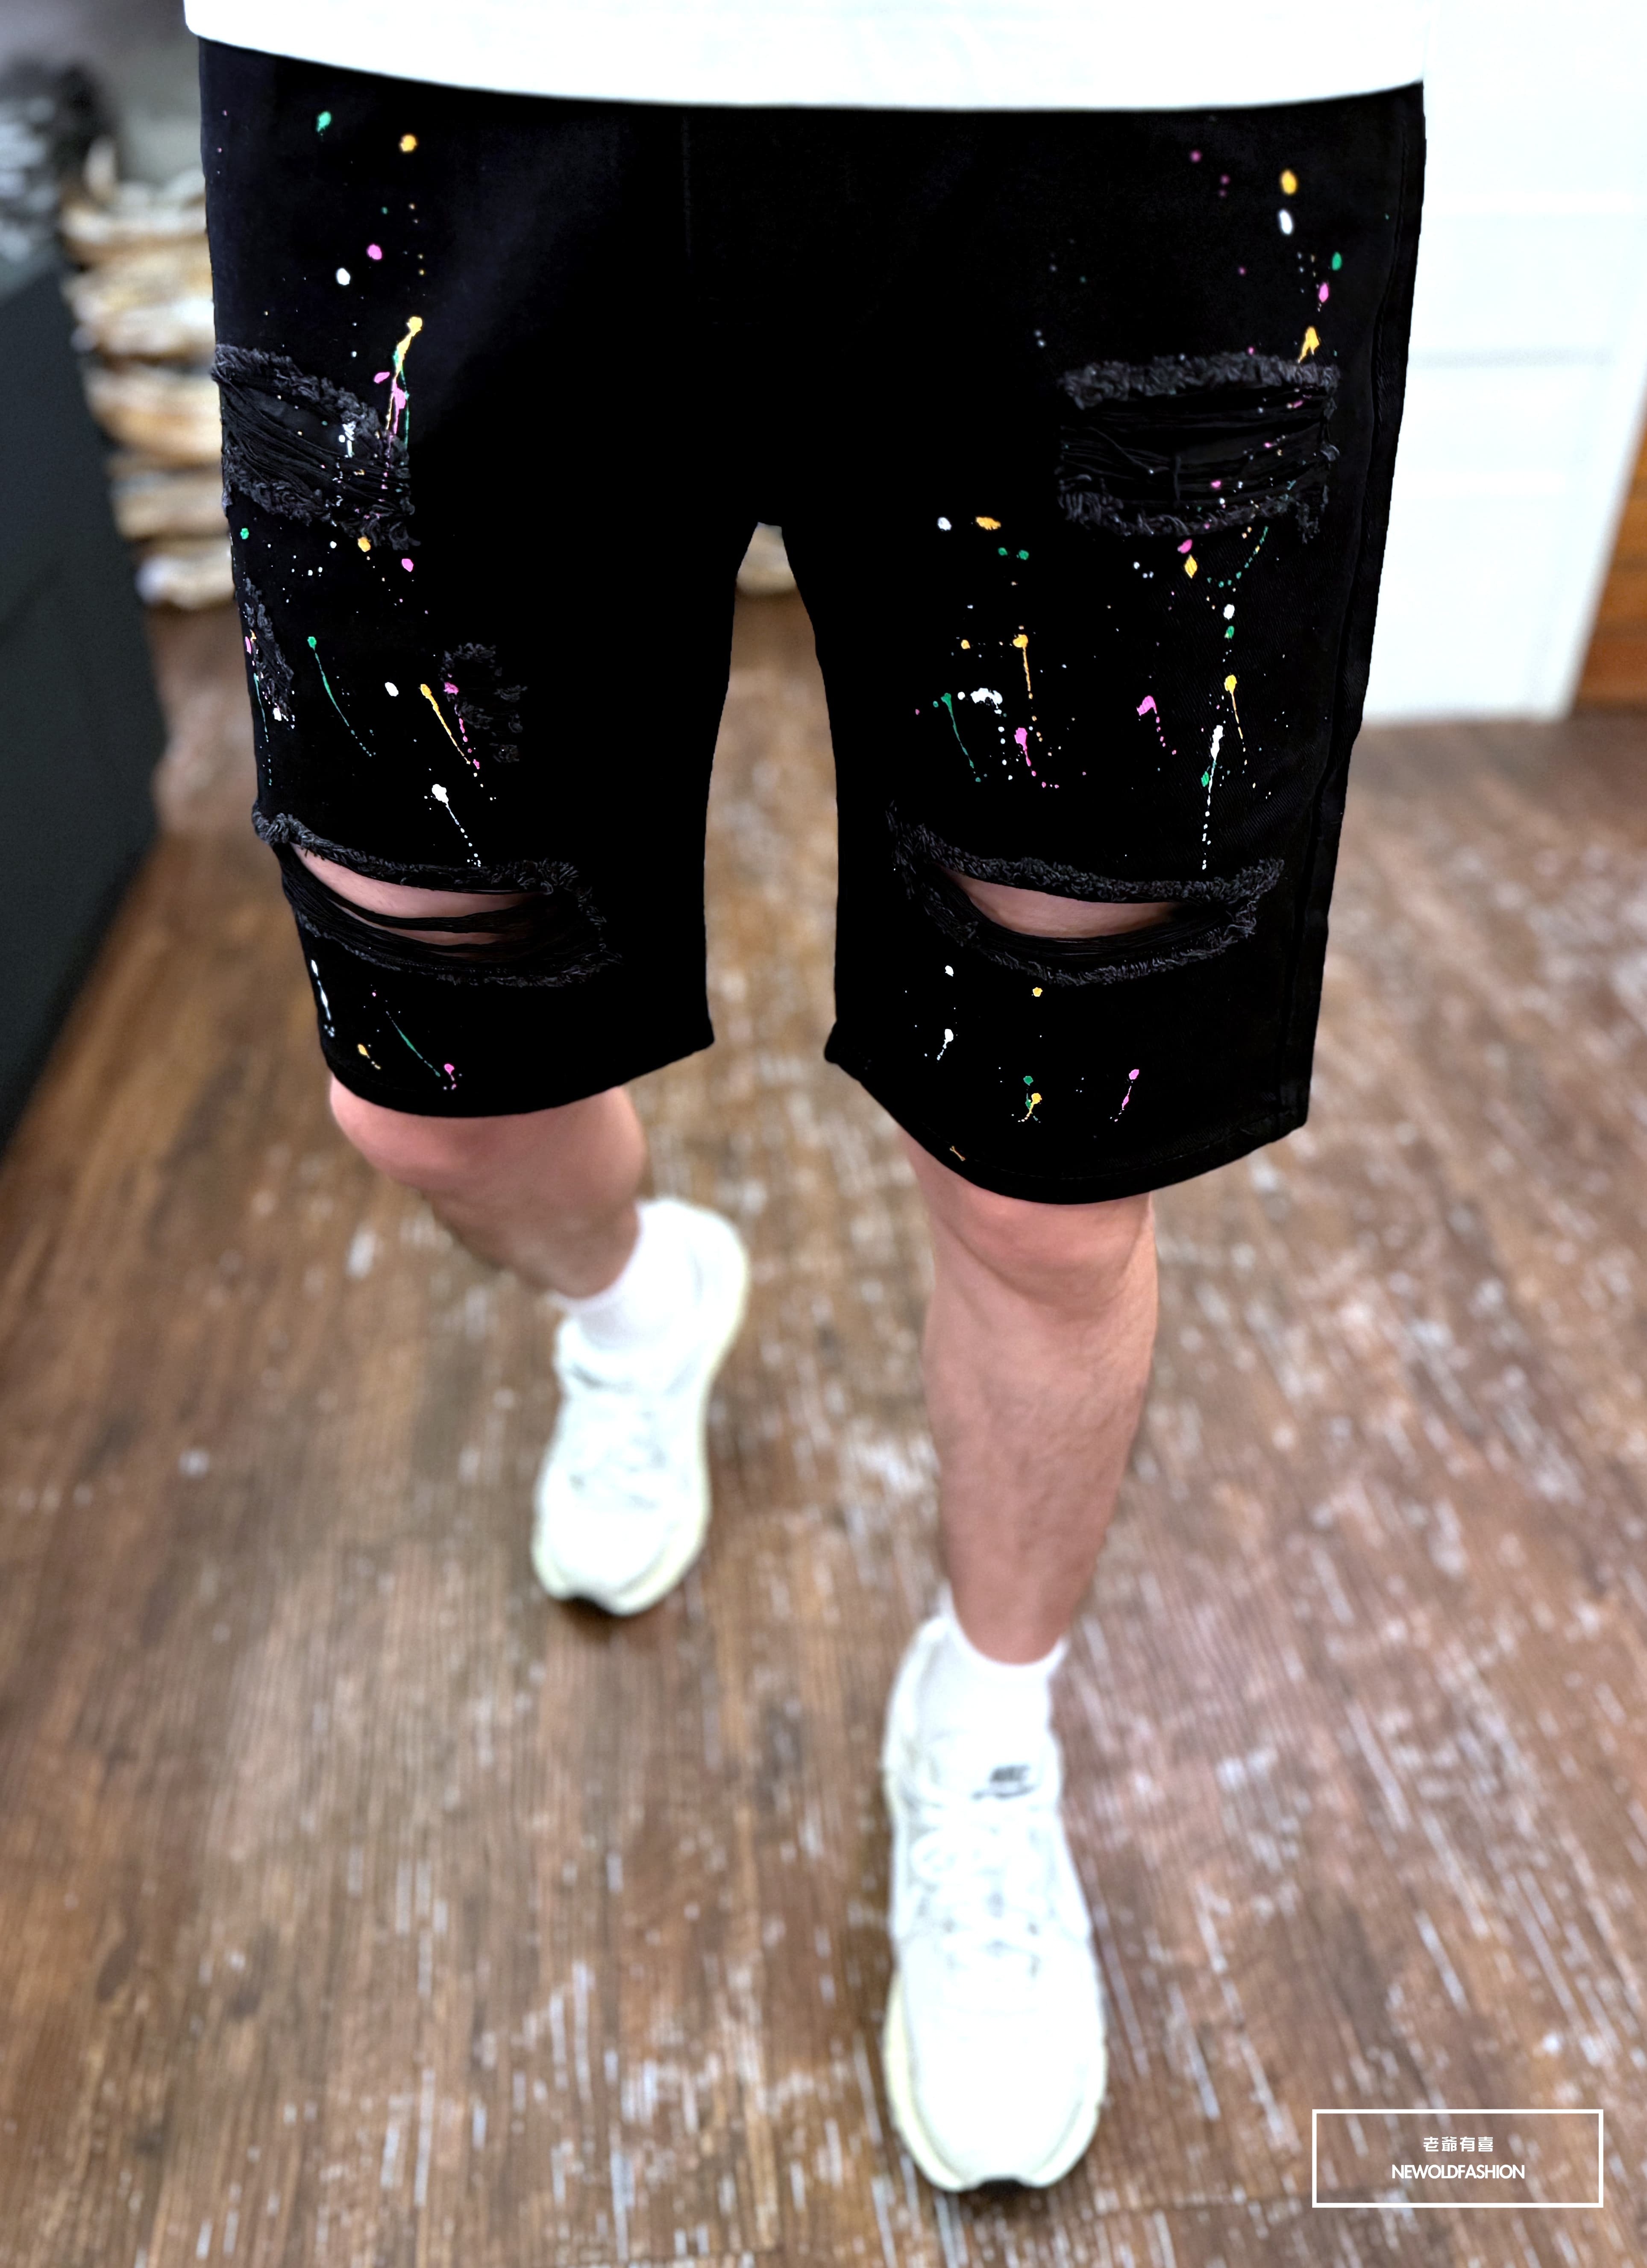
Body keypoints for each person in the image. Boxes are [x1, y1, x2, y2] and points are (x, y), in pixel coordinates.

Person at [188, 0, 1427, 2191]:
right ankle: (638, 1305)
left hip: (1120, 97)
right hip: (429, 74)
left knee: (1057, 1148)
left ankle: (987, 1725)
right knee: (431, 1064)